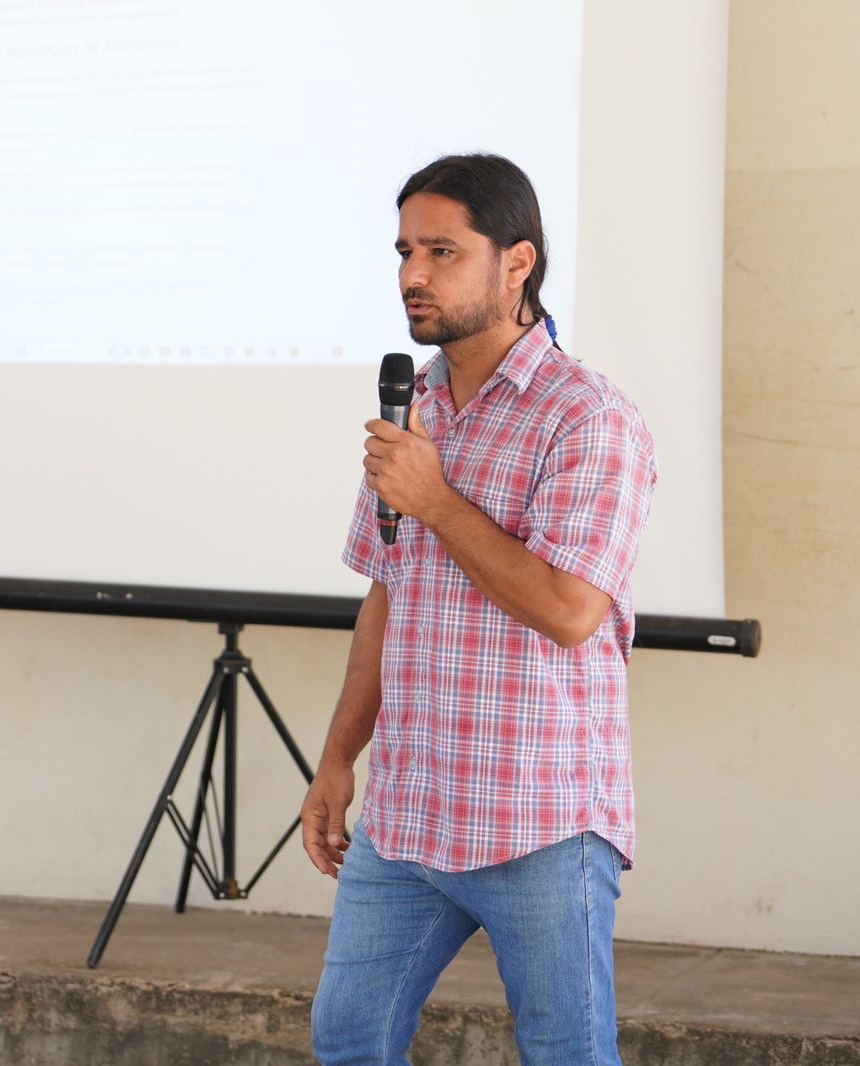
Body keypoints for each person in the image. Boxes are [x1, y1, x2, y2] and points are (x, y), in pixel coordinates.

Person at [300, 153, 656, 1066]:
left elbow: (572, 610)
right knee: (349, 1039)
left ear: (517, 263)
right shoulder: (413, 411)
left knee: (566, 1056)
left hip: (540, 822)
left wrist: (437, 499)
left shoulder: (589, 419)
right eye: (405, 251)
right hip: (409, 815)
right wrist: (339, 758)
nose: (412, 275)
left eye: (442, 252)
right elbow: (390, 594)